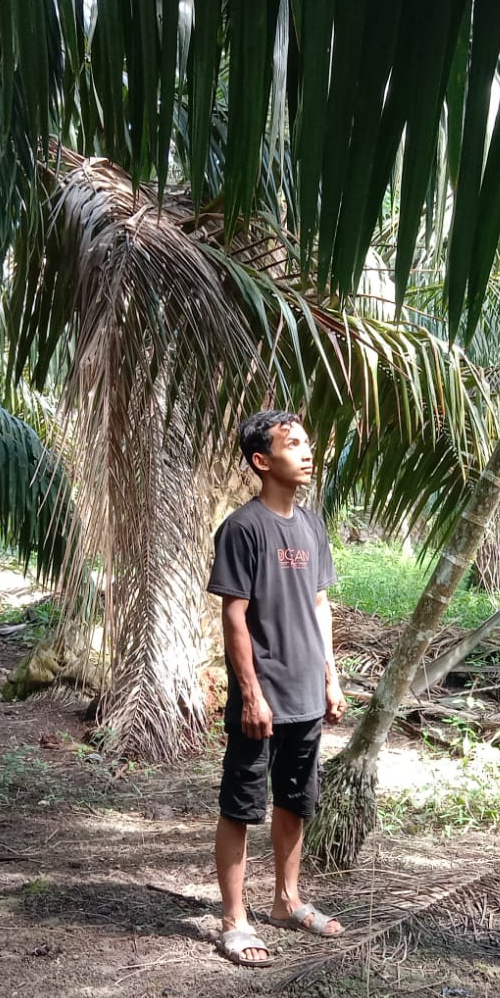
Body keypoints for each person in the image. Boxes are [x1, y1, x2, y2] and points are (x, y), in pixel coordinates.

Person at [207, 409, 347, 967]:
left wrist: (331, 679)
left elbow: (320, 606)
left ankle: (287, 902)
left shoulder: (312, 525)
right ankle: (234, 920)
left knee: (295, 801)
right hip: (262, 698)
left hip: (307, 693)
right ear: (262, 461)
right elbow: (234, 617)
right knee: (242, 805)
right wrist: (252, 692)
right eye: (293, 444)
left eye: (308, 442)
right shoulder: (243, 528)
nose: (307, 452)